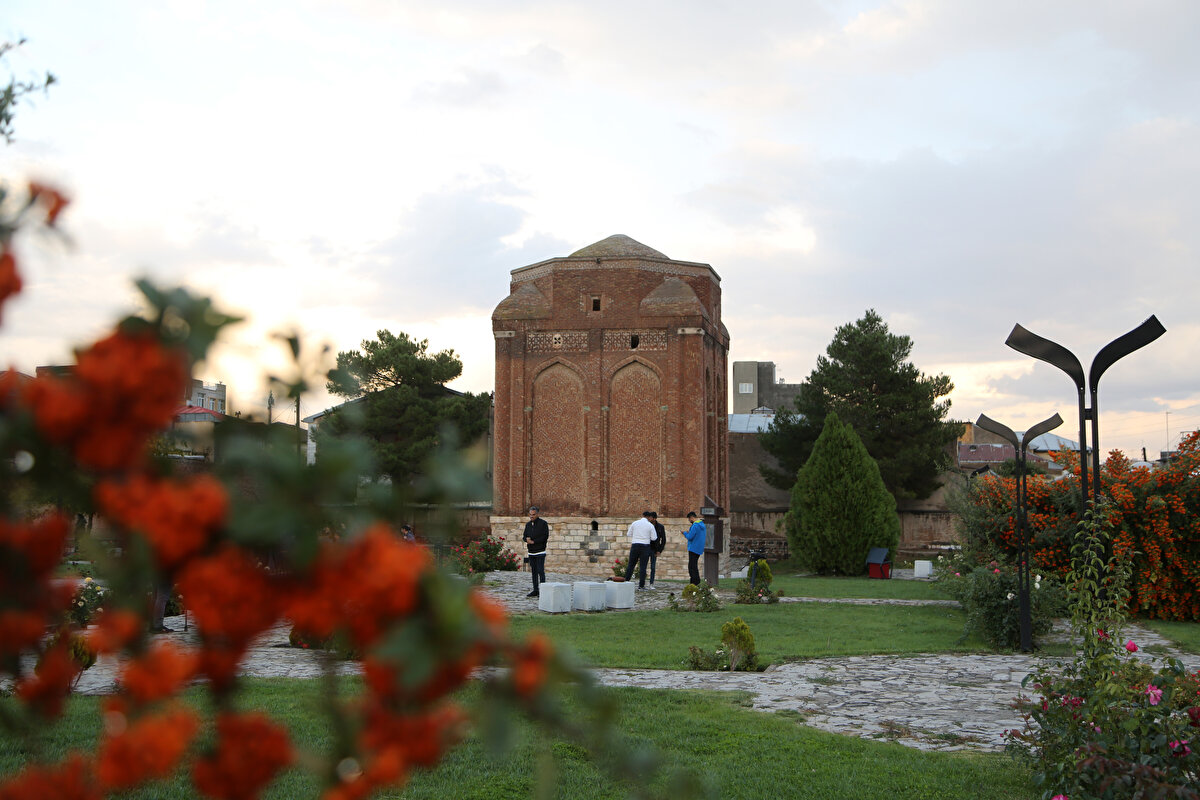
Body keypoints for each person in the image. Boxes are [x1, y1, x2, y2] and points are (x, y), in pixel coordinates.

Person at [623, 511, 657, 590]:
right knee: (643, 566)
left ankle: (626, 581)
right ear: (648, 517)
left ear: (642, 515)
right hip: (645, 546)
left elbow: (629, 534)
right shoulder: (650, 525)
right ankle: (641, 585)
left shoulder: (635, 523)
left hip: (635, 545)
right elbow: (654, 538)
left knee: (631, 565)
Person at [522, 505, 549, 597]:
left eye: (533, 515)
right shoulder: (528, 525)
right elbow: (524, 536)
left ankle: (543, 590)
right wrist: (527, 540)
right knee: (533, 571)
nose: (531, 516)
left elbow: (545, 536)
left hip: (540, 552)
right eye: (530, 514)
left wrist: (533, 542)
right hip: (531, 552)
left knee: (540, 571)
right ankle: (535, 590)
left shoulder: (543, 524)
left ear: (537, 514)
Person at [684, 511, 706, 586]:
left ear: (691, 517)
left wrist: (685, 533)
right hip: (699, 548)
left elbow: (690, 537)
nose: (689, 521)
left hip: (693, 548)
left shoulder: (695, 525)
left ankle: (694, 582)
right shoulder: (702, 524)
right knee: (694, 565)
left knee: (691, 566)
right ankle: (696, 580)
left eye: (689, 519)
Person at [647, 511, 666, 587]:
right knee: (643, 565)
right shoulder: (647, 526)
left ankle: (651, 582)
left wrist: (659, 550)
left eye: (651, 517)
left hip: (655, 549)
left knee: (653, 566)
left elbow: (663, 540)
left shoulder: (660, 527)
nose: (649, 519)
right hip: (646, 547)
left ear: (654, 518)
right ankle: (642, 582)